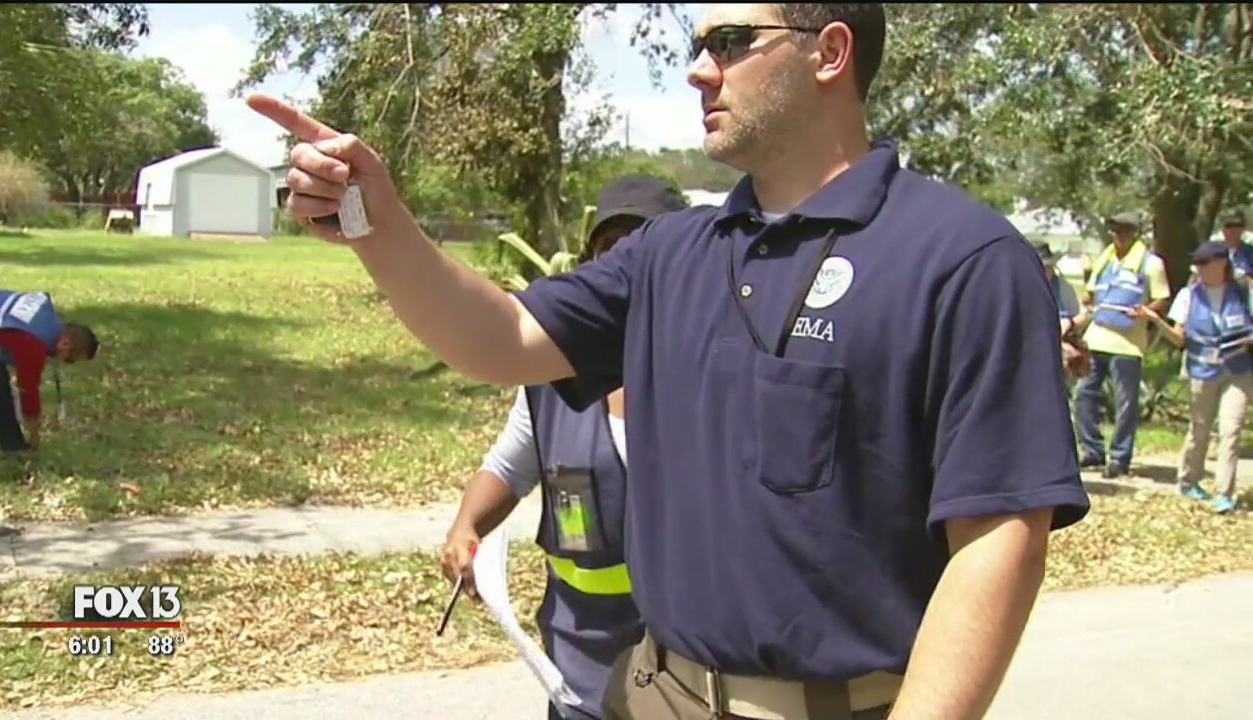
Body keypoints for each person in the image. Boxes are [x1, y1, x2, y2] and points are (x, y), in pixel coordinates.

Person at [251, 3, 1091, 719]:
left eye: (728, 43)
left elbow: (1000, 537)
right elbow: (498, 338)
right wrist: (378, 223)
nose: (697, 70)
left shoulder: (964, 258)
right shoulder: (670, 252)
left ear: (829, 52)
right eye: (697, 47)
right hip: (656, 694)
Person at [439, 175, 686, 720]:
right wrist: (466, 527)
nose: (623, 262)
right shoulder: (551, 383)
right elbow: (508, 465)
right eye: (608, 248)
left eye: (641, 244)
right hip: (580, 671)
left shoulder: (709, 376)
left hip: (683, 676)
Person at [1141, 241, 1252, 514]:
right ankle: (1189, 480)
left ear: (1221, 264)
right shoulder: (1188, 296)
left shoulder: (1243, 291)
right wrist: (1156, 321)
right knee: (1200, 430)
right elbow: (1180, 338)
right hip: (1202, 372)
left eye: (1204, 263)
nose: (1199, 268)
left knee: (1230, 431)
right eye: (1197, 263)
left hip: (1237, 372)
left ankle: (1225, 494)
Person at [1073, 212, 1171, 478]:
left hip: (1128, 344)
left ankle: (1120, 457)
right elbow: (1092, 292)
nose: (1118, 235)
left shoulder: (1151, 264)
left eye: (1124, 230)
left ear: (1135, 233)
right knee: (1083, 395)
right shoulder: (1104, 260)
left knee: (1126, 403)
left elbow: (1162, 298)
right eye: (1115, 230)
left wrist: (1145, 311)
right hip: (1097, 337)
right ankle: (1092, 450)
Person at [0, 290, 99, 454]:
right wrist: (34, 437)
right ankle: (15, 447)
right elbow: (29, 396)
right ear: (66, 344)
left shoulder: (46, 315)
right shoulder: (33, 346)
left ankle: (13, 448)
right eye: (70, 359)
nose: (64, 362)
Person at [1036, 243, 1090, 379]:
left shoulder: (1063, 288)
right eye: (1043, 267)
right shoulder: (1020, 290)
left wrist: (1069, 323)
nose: (1047, 272)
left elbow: (1082, 315)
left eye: (1049, 267)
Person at [1217, 208, 1253, 278]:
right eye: (1228, 226)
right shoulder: (1211, 252)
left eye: (1237, 225)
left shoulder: (1251, 253)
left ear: (1243, 228)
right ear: (1222, 229)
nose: (1233, 230)